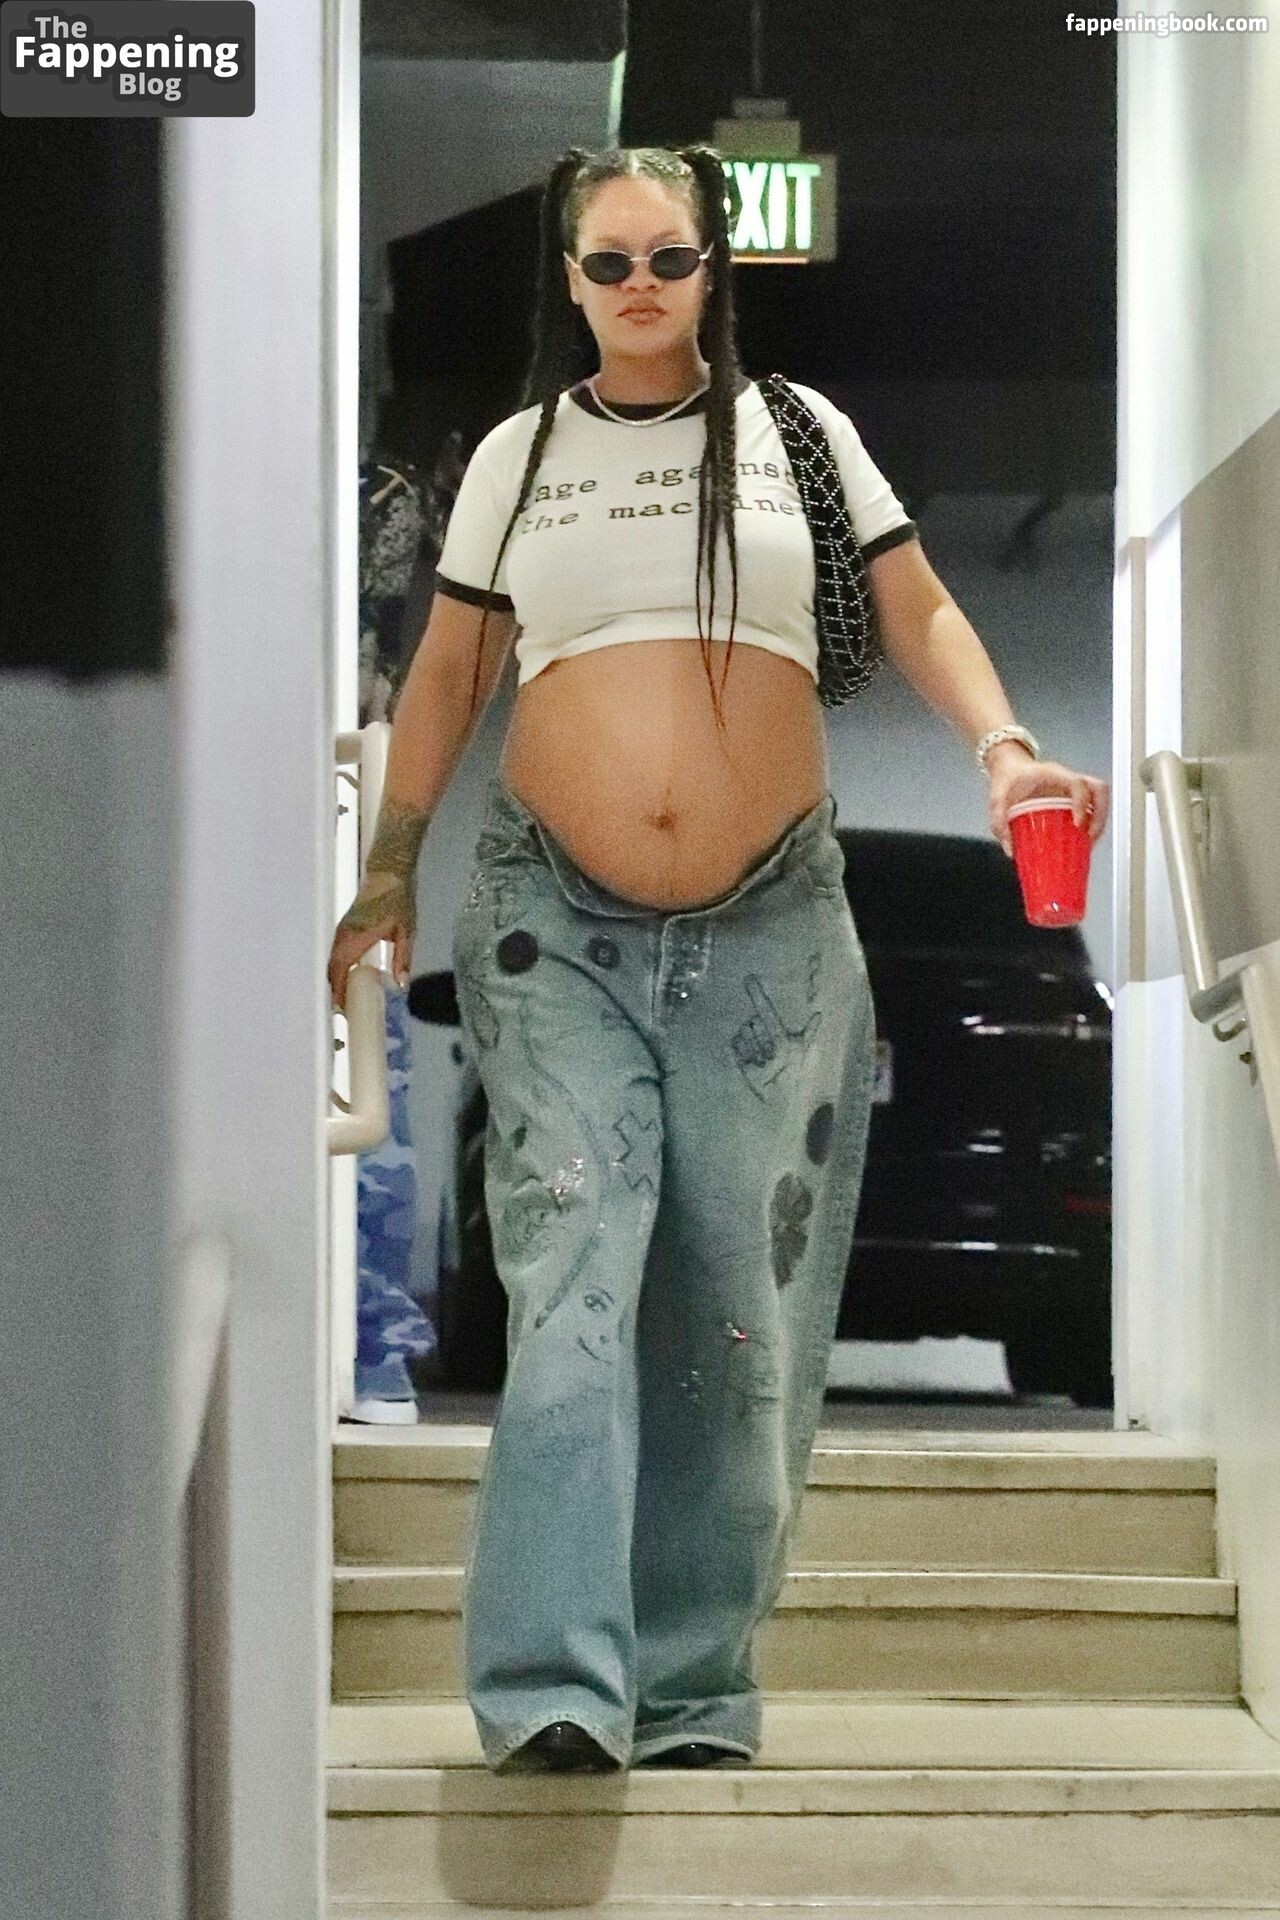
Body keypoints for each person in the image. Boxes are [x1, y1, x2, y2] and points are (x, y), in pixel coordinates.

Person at [327, 143, 1110, 1777]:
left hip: (771, 926)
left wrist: (1003, 747)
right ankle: (554, 1682)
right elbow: (452, 672)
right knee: (573, 1280)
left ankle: (688, 1686)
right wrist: (388, 863)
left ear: (713, 270)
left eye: (668, 259)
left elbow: (921, 609)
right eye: (608, 263)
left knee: (734, 1313)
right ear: (570, 279)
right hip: (556, 922)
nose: (639, 288)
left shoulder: (798, 434)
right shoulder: (521, 455)